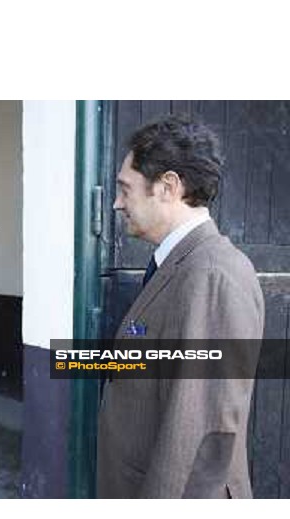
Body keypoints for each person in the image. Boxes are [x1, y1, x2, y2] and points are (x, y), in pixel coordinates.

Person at [97, 115, 265, 499]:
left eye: (126, 189)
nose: (116, 203)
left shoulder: (212, 275)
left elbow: (200, 438)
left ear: (168, 186)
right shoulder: (179, 264)